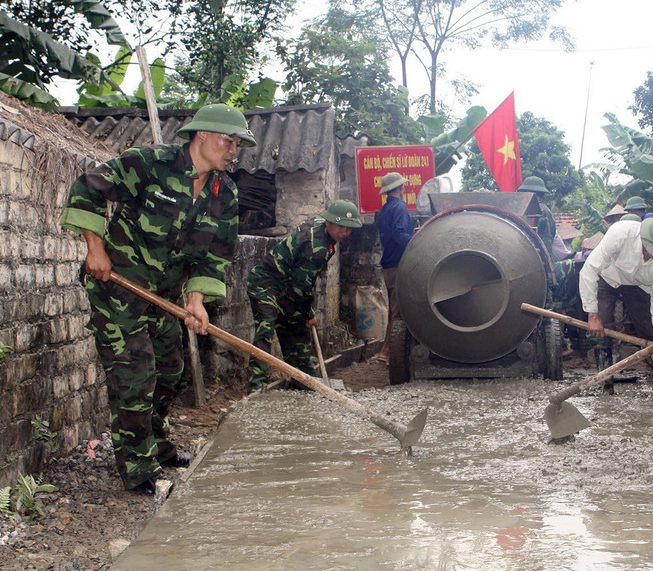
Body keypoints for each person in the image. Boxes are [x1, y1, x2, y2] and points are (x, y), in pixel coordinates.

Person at [60, 103, 255, 494]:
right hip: (119, 287)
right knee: (136, 374)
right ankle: (137, 468)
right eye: (229, 141)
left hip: (164, 296)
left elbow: (214, 255)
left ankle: (157, 444)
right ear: (202, 135)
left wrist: (196, 300)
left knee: (170, 371)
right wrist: (95, 249)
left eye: (238, 144)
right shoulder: (151, 164)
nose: (234, 150)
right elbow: (88, 186)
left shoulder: (224, 195)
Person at [246, 200, 362, 392]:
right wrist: (308, 314)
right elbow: (302, 287)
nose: (345, 233)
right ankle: (256, 387)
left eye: (349, 229)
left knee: (296, 329)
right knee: (266, 328)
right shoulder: (317, 248)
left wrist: (303, 315)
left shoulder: (325, 234)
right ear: (329, 223)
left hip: (287, 284)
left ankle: (304, 379)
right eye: (341, 228)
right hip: (266, 282)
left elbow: (299, 286)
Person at [579, 216, 653, 394]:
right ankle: (606, 385)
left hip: (639, 286)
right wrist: (593, 315)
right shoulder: (621, 234)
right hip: (608, 277)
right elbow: (589, 270)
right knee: (601, 328)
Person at [373, 172, 415, 364]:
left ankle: (387, 351)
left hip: (389, 264)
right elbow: (399, 233)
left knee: (395, 310)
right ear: (401, 188)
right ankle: (388, 353)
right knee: (399, 312)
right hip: (398, 264)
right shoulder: (399, 207)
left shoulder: (385, 209)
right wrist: (417, 243)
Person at [518, 175, 570, 262]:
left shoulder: (541, 211)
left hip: (536, 260)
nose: (522, 195)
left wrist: (546, 267)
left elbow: (546, 242)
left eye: (524, 192)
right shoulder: (528, 208)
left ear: (532, 193)